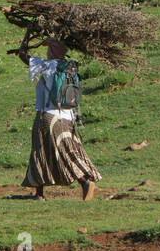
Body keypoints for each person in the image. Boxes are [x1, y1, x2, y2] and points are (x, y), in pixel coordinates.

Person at [16, 37, 100, 200]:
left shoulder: (47, 66)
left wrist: (28, 33)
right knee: (70, 151)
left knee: (41, 151)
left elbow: (22, 54)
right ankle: (84, 181)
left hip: (49, 117)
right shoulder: (70, 67)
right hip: (69, 118)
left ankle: (82, 182)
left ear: (52, 51)